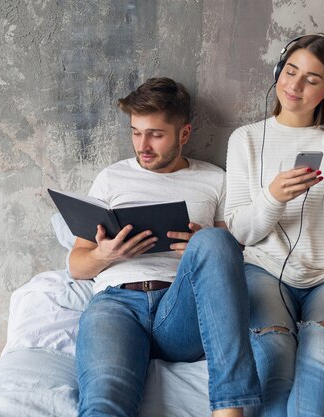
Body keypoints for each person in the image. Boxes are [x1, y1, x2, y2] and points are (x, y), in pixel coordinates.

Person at [70, 77, 261, 417]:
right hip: (117, 304)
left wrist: (200, 250)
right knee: (103, 402)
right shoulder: (110, 179)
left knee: (216, 240)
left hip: (181, 310)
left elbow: (235, 258)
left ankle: (230, 411)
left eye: (155, 135)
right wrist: (106, 254)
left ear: (184, 134)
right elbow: (76, 265)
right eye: (135, 132)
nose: (142, 145)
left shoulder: (215, 179)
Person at [225, 34, 324, 417]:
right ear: (278, 70)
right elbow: (241, 232)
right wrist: (274, 196)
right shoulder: (245, 139)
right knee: (275, 354)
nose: (294, 86)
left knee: (322, 350)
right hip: (265, 271)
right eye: (290, 71)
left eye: (312, 79)